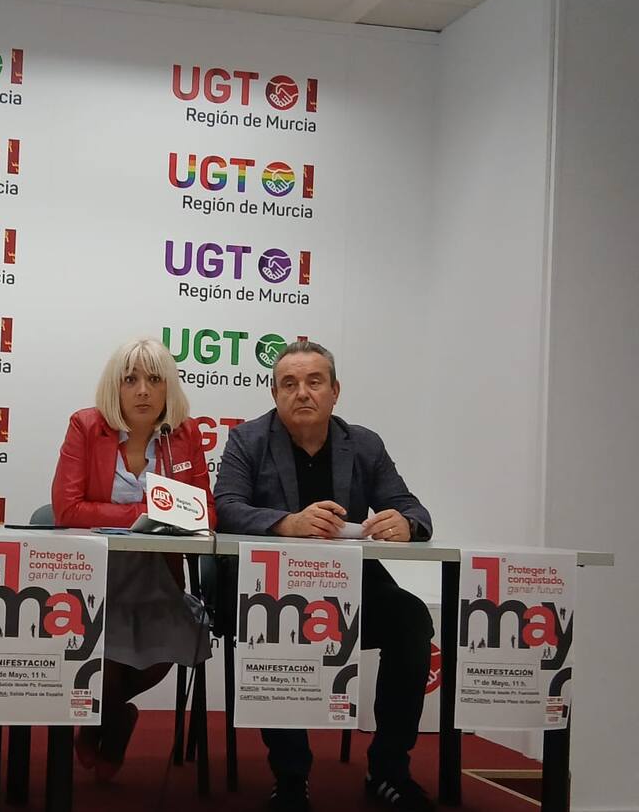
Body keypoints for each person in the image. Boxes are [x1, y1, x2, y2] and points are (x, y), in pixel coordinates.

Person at [214, 340, 434, 812]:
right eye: (289, 384)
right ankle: (291, 776)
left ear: (335, 391)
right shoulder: (247, 440)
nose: (302, 393)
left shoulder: (364, 444)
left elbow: (413, 508)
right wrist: (286, 524)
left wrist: (406, 523)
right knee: (273, 618)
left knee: (411, 619)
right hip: (271, 586)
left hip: (351, 586)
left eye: (314, 382)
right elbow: (226, 508)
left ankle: (389, 768)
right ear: (274, 394)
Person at [51, 337, 215, 781]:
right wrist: (148, 513)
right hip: (95, 575)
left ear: (169, 387)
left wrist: (141, 515)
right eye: (131, 380)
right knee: (101, 648)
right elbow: (67, 510)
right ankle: (113, 718)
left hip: (160, 573)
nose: (143, 390)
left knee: (169, 647)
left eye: (155, 379)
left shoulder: (184, 434)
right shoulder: (86, 426)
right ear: (115, 386)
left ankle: (107, 714)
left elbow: (205, 512)